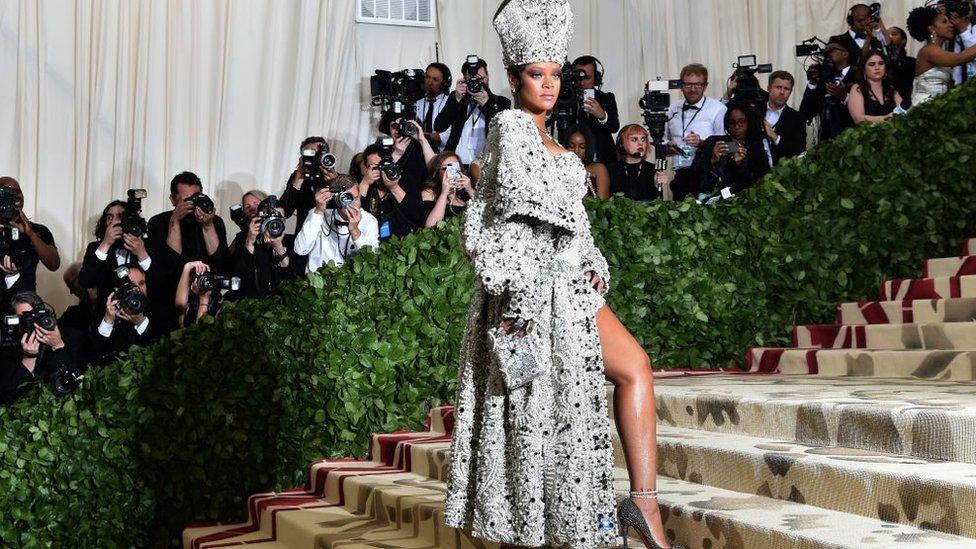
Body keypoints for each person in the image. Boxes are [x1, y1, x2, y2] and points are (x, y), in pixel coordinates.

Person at [445, 2, 684, 549]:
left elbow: (574, 225)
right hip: (534, 296)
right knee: (540, 423)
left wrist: (593, 263)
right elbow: (504, 217)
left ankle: (643, 505)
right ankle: (562, 528)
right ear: (513, 78)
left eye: (556, 74)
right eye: (536, 74)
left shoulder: (559, 146)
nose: (549, 85)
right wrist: (525, 289)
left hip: (571, 289)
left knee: (635, 368)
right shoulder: (509, 129)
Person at [146, 172, 229, 323]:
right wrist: (175, 221)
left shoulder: (215, 222)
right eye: (186, 200)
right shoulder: (158, 222)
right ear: (173, 199)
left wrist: (208, 226)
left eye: (196, 198)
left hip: (207, 298)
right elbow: (172, 263)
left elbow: (220, 261)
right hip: (168, 301)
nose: (192, 204)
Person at [78, 200, 155, 321]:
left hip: (143, 316)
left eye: (120, 216)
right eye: (109, 217)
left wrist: (142, 253)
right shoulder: (96, 248)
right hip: (107, 317)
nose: (114, 221)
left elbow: (158, 283)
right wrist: (105, 243)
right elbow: (85, 281)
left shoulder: (147, 245)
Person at [0, 292, 82, 405]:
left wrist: (58, 346)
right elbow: (8, 398)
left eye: (33, 316)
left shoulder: (70, 337)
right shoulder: (8, 347)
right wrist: (29, 359)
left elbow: (78, 383)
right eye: (23, 319)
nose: (30, 324)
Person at [434, 56, 512, 165]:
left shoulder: (502, 102)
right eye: (472, 80)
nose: (477, 83)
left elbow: (503, 132)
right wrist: (456, 99)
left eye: (481, 79)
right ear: (464, 79)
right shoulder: (456, 98)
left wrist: (486, 105)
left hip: (486, 167)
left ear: (488, 77)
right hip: (456, 165)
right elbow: (439, 126)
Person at [664, 64, 726, 202]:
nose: (692, 89)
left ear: (705, 86)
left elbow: (727, 145)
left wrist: (703, 143)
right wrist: (667, 147)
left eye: (698, 85)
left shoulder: (718, 108)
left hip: (707, 174)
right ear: (681, 85)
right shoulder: (672, 108)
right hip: (680, 175)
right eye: (688, 85)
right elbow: (662, 140)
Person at [294, 175, 379, 271]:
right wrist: (318, 212)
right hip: (317, 281)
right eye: (347, 198)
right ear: (337, 200)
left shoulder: (369, 220)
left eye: (356, 198)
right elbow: (300, 250)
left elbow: (373, 260)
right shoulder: (318, 213)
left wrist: (355, 232)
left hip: (351, 281)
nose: (354, 205)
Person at [226, 191, 293, 300]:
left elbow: (292, 281)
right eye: (269, 217)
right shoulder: (244, 239)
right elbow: (239, 280)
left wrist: (279, 247)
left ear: (284, 220)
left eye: (278, 217)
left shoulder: (292, 241)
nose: (274, 221)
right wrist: (250, 242)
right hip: (251, 305)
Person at [94, 265, 167, 365]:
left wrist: (140, 322)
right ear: (118, 291)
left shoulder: (159, 311)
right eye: (131, 286)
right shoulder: (112, 314)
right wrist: (108, 320)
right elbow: (99, 355)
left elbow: (159, 350)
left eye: (142, 283)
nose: (138, 289)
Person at [692, 105, 770, 198]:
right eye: (732, 123)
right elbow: (694, 174)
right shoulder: (713, 142)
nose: (737, 127)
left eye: (741, 122)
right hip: (709, 198)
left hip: (741, 201)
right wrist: (712, 161)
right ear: (727, 124)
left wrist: (739, 165)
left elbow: (757, 181)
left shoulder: (755, 148)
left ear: (748, 123)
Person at [0, 177, 61, 293]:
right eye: (7, 193)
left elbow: (54, 264)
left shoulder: (38, 230)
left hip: (24, 303)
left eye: (18, 192)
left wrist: (31, 234)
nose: (15, 196)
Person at [907, 5, 976, 106]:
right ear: (931, 28)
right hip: (924, 109)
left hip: (937, 108)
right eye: (944, 22)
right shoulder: (929, 50)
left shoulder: (939, 50)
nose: (951, 25)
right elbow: (960, 58)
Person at [799, 40, 856, 142]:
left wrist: (845, 97)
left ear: (845, 54)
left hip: (853, 137)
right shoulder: (823, 78)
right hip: (826, 141)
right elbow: (806, 113)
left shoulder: (858, 74)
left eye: (832, 50)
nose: (828, 53)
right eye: (826, 50)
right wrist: (812, 83)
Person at [571, 55, 621, 164]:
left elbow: (614, 127)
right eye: (579, 77)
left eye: (587, 77)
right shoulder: (564, 98)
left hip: (602, 160)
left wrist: (602, 115)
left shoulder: (607, 98)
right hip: (571, 160)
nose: (582, 82)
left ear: (596, 78)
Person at [607, 124, 666, 202]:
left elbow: (657, 202)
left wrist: (657, 185)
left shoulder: (653, 169)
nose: (640, 143)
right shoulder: (611, 169)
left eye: (643, 139)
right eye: (634, 139)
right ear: (621, 144)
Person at [762, 71, 806, 166]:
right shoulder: (755, 111)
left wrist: (775, 137)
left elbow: (800, 150)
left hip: (781, 174)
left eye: (786, 89)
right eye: (778, 87)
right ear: (769, 88)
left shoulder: (797, 118)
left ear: (790, 92)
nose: (782, 92)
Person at [848, 50, 905, 123]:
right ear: (864, 70)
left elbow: (904, 111)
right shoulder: (857, 88)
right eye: (872, 64)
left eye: (881, 64)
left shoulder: (890, 89)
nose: (877, 67)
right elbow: (859, 119)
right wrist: (887, 118)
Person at [422, 152, 476, 227]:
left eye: (454, 167)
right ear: (437, 172)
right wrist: (444, 194)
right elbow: (430, 226)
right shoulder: (430, 193)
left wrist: (470, 189)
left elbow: (485, 212)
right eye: (445, 168)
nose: (450, 172)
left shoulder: (465, 194)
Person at [560, 125, 611, 199]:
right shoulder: (558, 169)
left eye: (582, 146)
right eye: (571, 146)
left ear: (588, 148)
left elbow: (602, 204)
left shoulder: (598, 169)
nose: (576, 151)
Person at [418, 63, 454, 151]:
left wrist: (418, 134)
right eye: (427, 77)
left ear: (444, 83)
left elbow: (443, 138)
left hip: (443, 155)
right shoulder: (417, 104)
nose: (429, 82)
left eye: (435, 79)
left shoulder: (451, 104)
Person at [886, 27, 918, 104]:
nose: (889, 36)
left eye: (894, 34)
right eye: (887, 34)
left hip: (903, 102)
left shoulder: (911, 61)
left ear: (903, 40)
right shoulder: (881, 61)